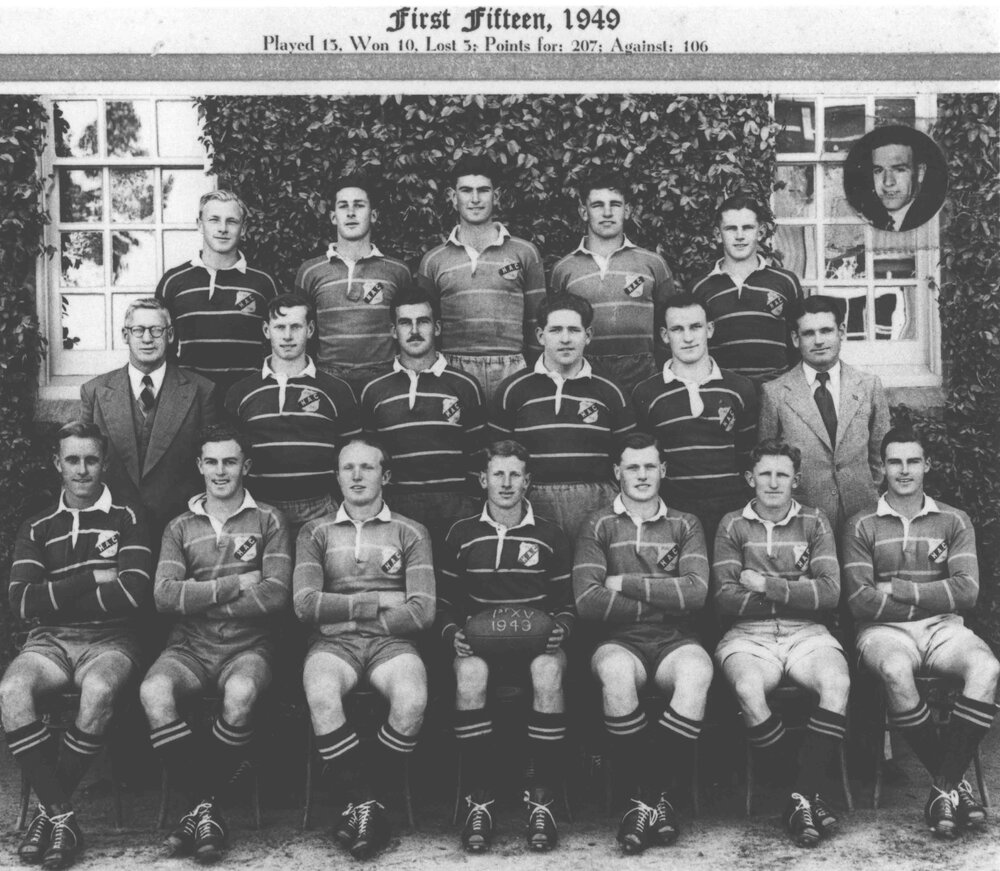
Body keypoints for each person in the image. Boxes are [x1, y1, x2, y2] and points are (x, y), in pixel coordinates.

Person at [2, 421, 151, 870]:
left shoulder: (129, 517)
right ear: (57, 464)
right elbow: (23, 602)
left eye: (90, 459)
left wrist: (57, 590)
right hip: (49, 642)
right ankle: (62, 815)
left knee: (100, 691)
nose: (82, 470)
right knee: (9, 692)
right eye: (72, 460)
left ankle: (49, 814)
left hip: (113, 640)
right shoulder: (38, 525)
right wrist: (91, 576)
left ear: (103, 462)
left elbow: (132, 594)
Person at [140, 424, 291, 863]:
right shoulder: (179, 526)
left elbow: (276, 595)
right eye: (212, 462)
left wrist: (200, 597)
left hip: (249, 648)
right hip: (187, 647)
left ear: (246, 466)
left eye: (230, 462)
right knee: (153, 691)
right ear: (199, 466)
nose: (220, 471)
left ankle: (197, 808)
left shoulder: (270, 520)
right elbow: (165, 596)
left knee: (241, 693)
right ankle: (207, 809)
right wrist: (234, 585)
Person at [844, 425, 999, 838]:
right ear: (882, 468)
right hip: (883, 631)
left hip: (942, 628)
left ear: (927, 465)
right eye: (895, 461)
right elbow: (860, 601)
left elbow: (966, 592)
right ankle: (952, 786)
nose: (904, 470)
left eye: (913, 461)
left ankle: (942, 788)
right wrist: (933, 593)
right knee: (895, 670)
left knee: (986, 668)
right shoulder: (861, 524)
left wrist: (898, 588)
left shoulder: (953, 519)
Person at [293, 437, 434, 859]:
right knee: (321, 692)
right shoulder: (314, 531)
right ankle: (370, 805)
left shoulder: (411, 531)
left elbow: (423, 610)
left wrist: (342, 610)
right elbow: (304, 605)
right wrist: (379, 603)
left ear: (385, 476)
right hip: (333, 644)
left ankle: (362, 804)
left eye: (367, 468)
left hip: (393, 644)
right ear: (336, 476)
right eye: (348, 468)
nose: (356, 476)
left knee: (412, 699)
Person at [573, 432, 712, 855]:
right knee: (616, 673)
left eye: (650, 466)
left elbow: (696, 594)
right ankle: (657, 800)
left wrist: (625, 583)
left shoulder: (685, 523)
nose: (641, 475)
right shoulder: (598, 523)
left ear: (664, 470)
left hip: (675, 640)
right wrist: (662, 600)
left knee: (697, 671)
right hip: (617, 642)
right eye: (632, 467)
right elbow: (588, 602)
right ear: (617, 472)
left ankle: (644, 800)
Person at [438, 440, 574, 853]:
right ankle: (481, 798)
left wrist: (560, 631)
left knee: (547, 670)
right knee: (470, 672)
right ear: (483, 480)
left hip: (537, 645)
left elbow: (567, 603)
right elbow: (444, 603)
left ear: (528, 481)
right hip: (481, 646)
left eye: (515, 474)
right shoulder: (460, 534)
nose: (507, 483)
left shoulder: (550, 535)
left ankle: (542, 798)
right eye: (498, 473)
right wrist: (453, 635)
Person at [713, 439, 848, 847]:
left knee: (837, 684)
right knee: (748, 688)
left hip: (807, 632)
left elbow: (829, 594)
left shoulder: (815, 521)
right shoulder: (731, 524)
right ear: (750, 478)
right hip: (747, 637)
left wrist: (764, 584)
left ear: (796, 479)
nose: (773, 483)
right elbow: (724, 598)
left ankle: (798, 795)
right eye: (765, 474)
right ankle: (803, 793)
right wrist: (794, 588)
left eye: (782, 475)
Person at [490, 293, 636, 544]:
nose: (565, 339)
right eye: (556, 330)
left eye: (574, 330)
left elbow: (628, 459)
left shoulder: (611, 391)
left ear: (587, 336)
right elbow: (494, 457)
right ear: (540, 335)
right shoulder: (513, 390)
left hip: (596, 503)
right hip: (532, 504)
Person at [81, 298, 218, 547]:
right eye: (138, 330)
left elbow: (210, 464)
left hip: (180, 528)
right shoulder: (95, 391)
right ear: (125, 334)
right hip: (112, 528)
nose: (147, 339)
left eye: (156, 330)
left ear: (170, 335)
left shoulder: (201, 390)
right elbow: (83, 463)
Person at [359, 286, 486, 556]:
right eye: (405, 323)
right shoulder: (374, 389)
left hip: (456, 508)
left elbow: (479, 454)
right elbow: (370, 458)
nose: (414, 330)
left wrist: (471, 506)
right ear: (394, 331)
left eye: (423, 321)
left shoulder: (464, 385)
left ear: (437, 328)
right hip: (396, 510)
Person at [225, 292, 361, 538]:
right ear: (267, 330)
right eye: (279, 327)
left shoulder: (336, 390)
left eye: (295, 327)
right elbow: (229, 457)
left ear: (310, 329)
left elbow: (352, 455)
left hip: (320, 509)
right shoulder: (240, 392)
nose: (287, 336)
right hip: (258, 510)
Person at [632, 292, 758, 554]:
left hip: (731, 516)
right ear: (665, 336)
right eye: (678, 329)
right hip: (672, 516)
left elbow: (749, 456)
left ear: (709, 329)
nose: (688, 337)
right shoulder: (646, 393)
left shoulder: (740, 389)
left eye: (695, 327)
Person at [416, 153, 546, 400]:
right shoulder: (433, 261)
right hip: (453, 368)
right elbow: (427, 326)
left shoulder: (525, 252)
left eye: (483, 190)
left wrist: (535, 376)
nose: (475, 199)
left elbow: (536, 322)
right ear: (453, 198)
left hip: (512, 367)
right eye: (466, 191)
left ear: (495, 196)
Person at [759, 294, 890, 534]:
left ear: (841, 332)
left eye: (826, 330)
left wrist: (870, 491)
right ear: (796, 339)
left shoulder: (869, 386)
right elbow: (767, 462)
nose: (818, 340)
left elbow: (881, 452)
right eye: (809, 333)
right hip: (802, 521)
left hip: (862, 517)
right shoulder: (775, 393)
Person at [549, 170, 676, 394]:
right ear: (583, 211)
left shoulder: (653, 264)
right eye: (597, 205)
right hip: (583, 378)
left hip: (642, 379)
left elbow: (669, 328)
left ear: (627, 210)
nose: (607, 213)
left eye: (615, 204)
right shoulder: (564, 269)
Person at [295, 174, 415, 400]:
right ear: (333, 216)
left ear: (374, 215)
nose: (350, 213)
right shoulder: (310, 271)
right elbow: (302, 332)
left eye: (359, 205)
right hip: (328, 377)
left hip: (385, 378)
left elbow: (406, 328)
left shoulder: (398, 271)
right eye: (343, 206)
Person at [155, 190, 279, 395]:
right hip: (189, 401)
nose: (223, 228)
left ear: (244, 228)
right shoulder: (173, 282)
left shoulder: (264, 282)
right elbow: (160, 345)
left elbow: (279, 342)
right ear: (200, 224)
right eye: (214, 220)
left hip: (249, 398)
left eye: (231, 221)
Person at [691, 194, 803, 385]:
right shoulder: (701, 288)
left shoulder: (785, 282)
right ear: (718, 235)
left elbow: (799, 342)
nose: (740, 236)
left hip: (776, 393)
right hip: (724, 394)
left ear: (760, 232)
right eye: (731, 228)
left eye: (747, 227)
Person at [844, 125, 947, 232]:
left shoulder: (931, 221)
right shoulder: (873, 216)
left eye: (899, 170)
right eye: (878, 171)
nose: (888, 182)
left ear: (920, 173)